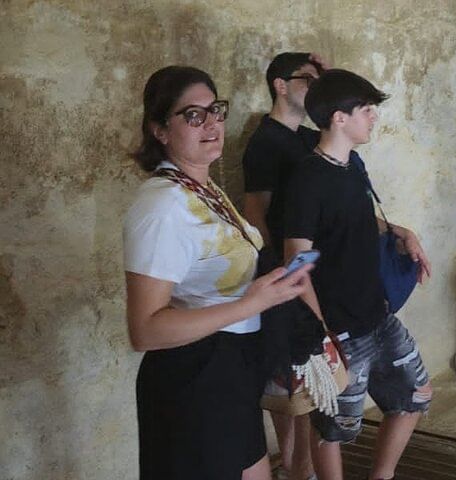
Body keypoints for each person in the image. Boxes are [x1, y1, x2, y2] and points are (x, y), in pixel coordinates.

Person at [124, 65, 313, 480]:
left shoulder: (203, 188)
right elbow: (145, 330)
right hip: (192, 376)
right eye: (193, 115)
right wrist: (251, 303)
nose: (211, 124)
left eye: (215, 110)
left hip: (230, 369)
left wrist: (275, 285)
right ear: (160, 130)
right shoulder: (162, 207)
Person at [284, 69, 433, 480]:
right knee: (334, 427)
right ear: (339, 118)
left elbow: (358, 219)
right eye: (366, 110)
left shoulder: (353, 165)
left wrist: (401, 231)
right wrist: (321, 335)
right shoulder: (308, 179)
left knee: (415, 397)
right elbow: (296, 260)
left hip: (377, 314)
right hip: (339, 328)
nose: (374, 117)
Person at [242, 52, 328, 480]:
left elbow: (343, 113)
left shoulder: (307, 137)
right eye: (307, 79)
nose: (315, 87)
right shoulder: (265, 142)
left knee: (310, 378)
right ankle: (297, 469)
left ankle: (299, 468)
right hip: (287, 273)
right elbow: (255, 212)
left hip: (311, 269)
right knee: (291, 376)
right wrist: (281, 270)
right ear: (280, 85)